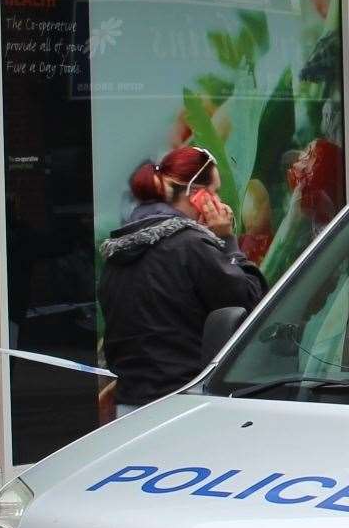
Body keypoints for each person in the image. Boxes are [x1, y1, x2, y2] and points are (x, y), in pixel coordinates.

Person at [99, 146, 267, 416]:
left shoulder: (117, 251)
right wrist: (227, 241)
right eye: (214, 191)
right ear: (197, 195)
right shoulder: (192, 247)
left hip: (129, 404)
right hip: (183, 403)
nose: (220, 202)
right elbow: (250, 301)